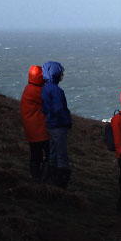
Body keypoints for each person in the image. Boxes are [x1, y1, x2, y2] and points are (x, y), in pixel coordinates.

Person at [41, 61, 72, 189]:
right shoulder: (56, 91)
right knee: (62, 155)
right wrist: (67, 121)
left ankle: (50, 180)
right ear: (55, 73)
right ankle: (61, 184)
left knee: (53, 153)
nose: (63, 75)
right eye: (61, 72)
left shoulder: (45, 88)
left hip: (50, 125)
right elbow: (59, 109)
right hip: (59, 126)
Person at [20, 65, 49, 182]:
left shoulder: (28, 88)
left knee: (35, 155)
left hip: (31, 130)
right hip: (40, 130)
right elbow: (50, 102)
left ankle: (35, 176)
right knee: (49, 155)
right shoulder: (39, 91)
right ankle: (44, 178)